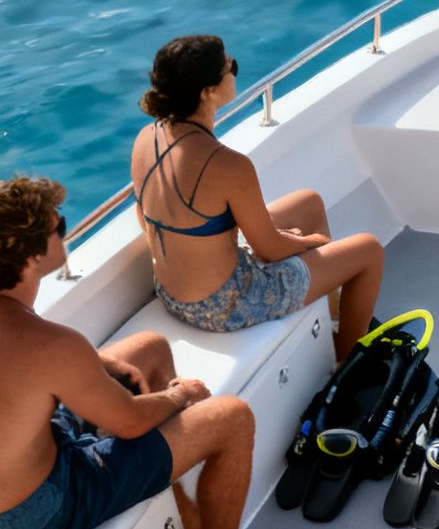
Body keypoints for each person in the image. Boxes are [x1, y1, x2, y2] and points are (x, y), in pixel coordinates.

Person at [0, 176, 296, 529]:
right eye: (59, 226)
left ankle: (194, 525)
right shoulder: (49, 345)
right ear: (33, 255)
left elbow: (14, 371)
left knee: (149, 348)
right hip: (41, 510)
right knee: (231, 417)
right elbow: (130, 423)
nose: (65, 230)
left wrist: (97, 366)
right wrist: (179, 396)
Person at [130, 34, 383, 357]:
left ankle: (332, 315)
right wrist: (312, 242)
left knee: (309, 202)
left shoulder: (146, 138)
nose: (235, 71)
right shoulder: (227, 164)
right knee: (368, 251)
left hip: (171, 294)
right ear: (208, 91)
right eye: (230, 67)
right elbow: (270, 249)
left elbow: (145, 220)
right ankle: (346, 357)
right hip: (225, 305)